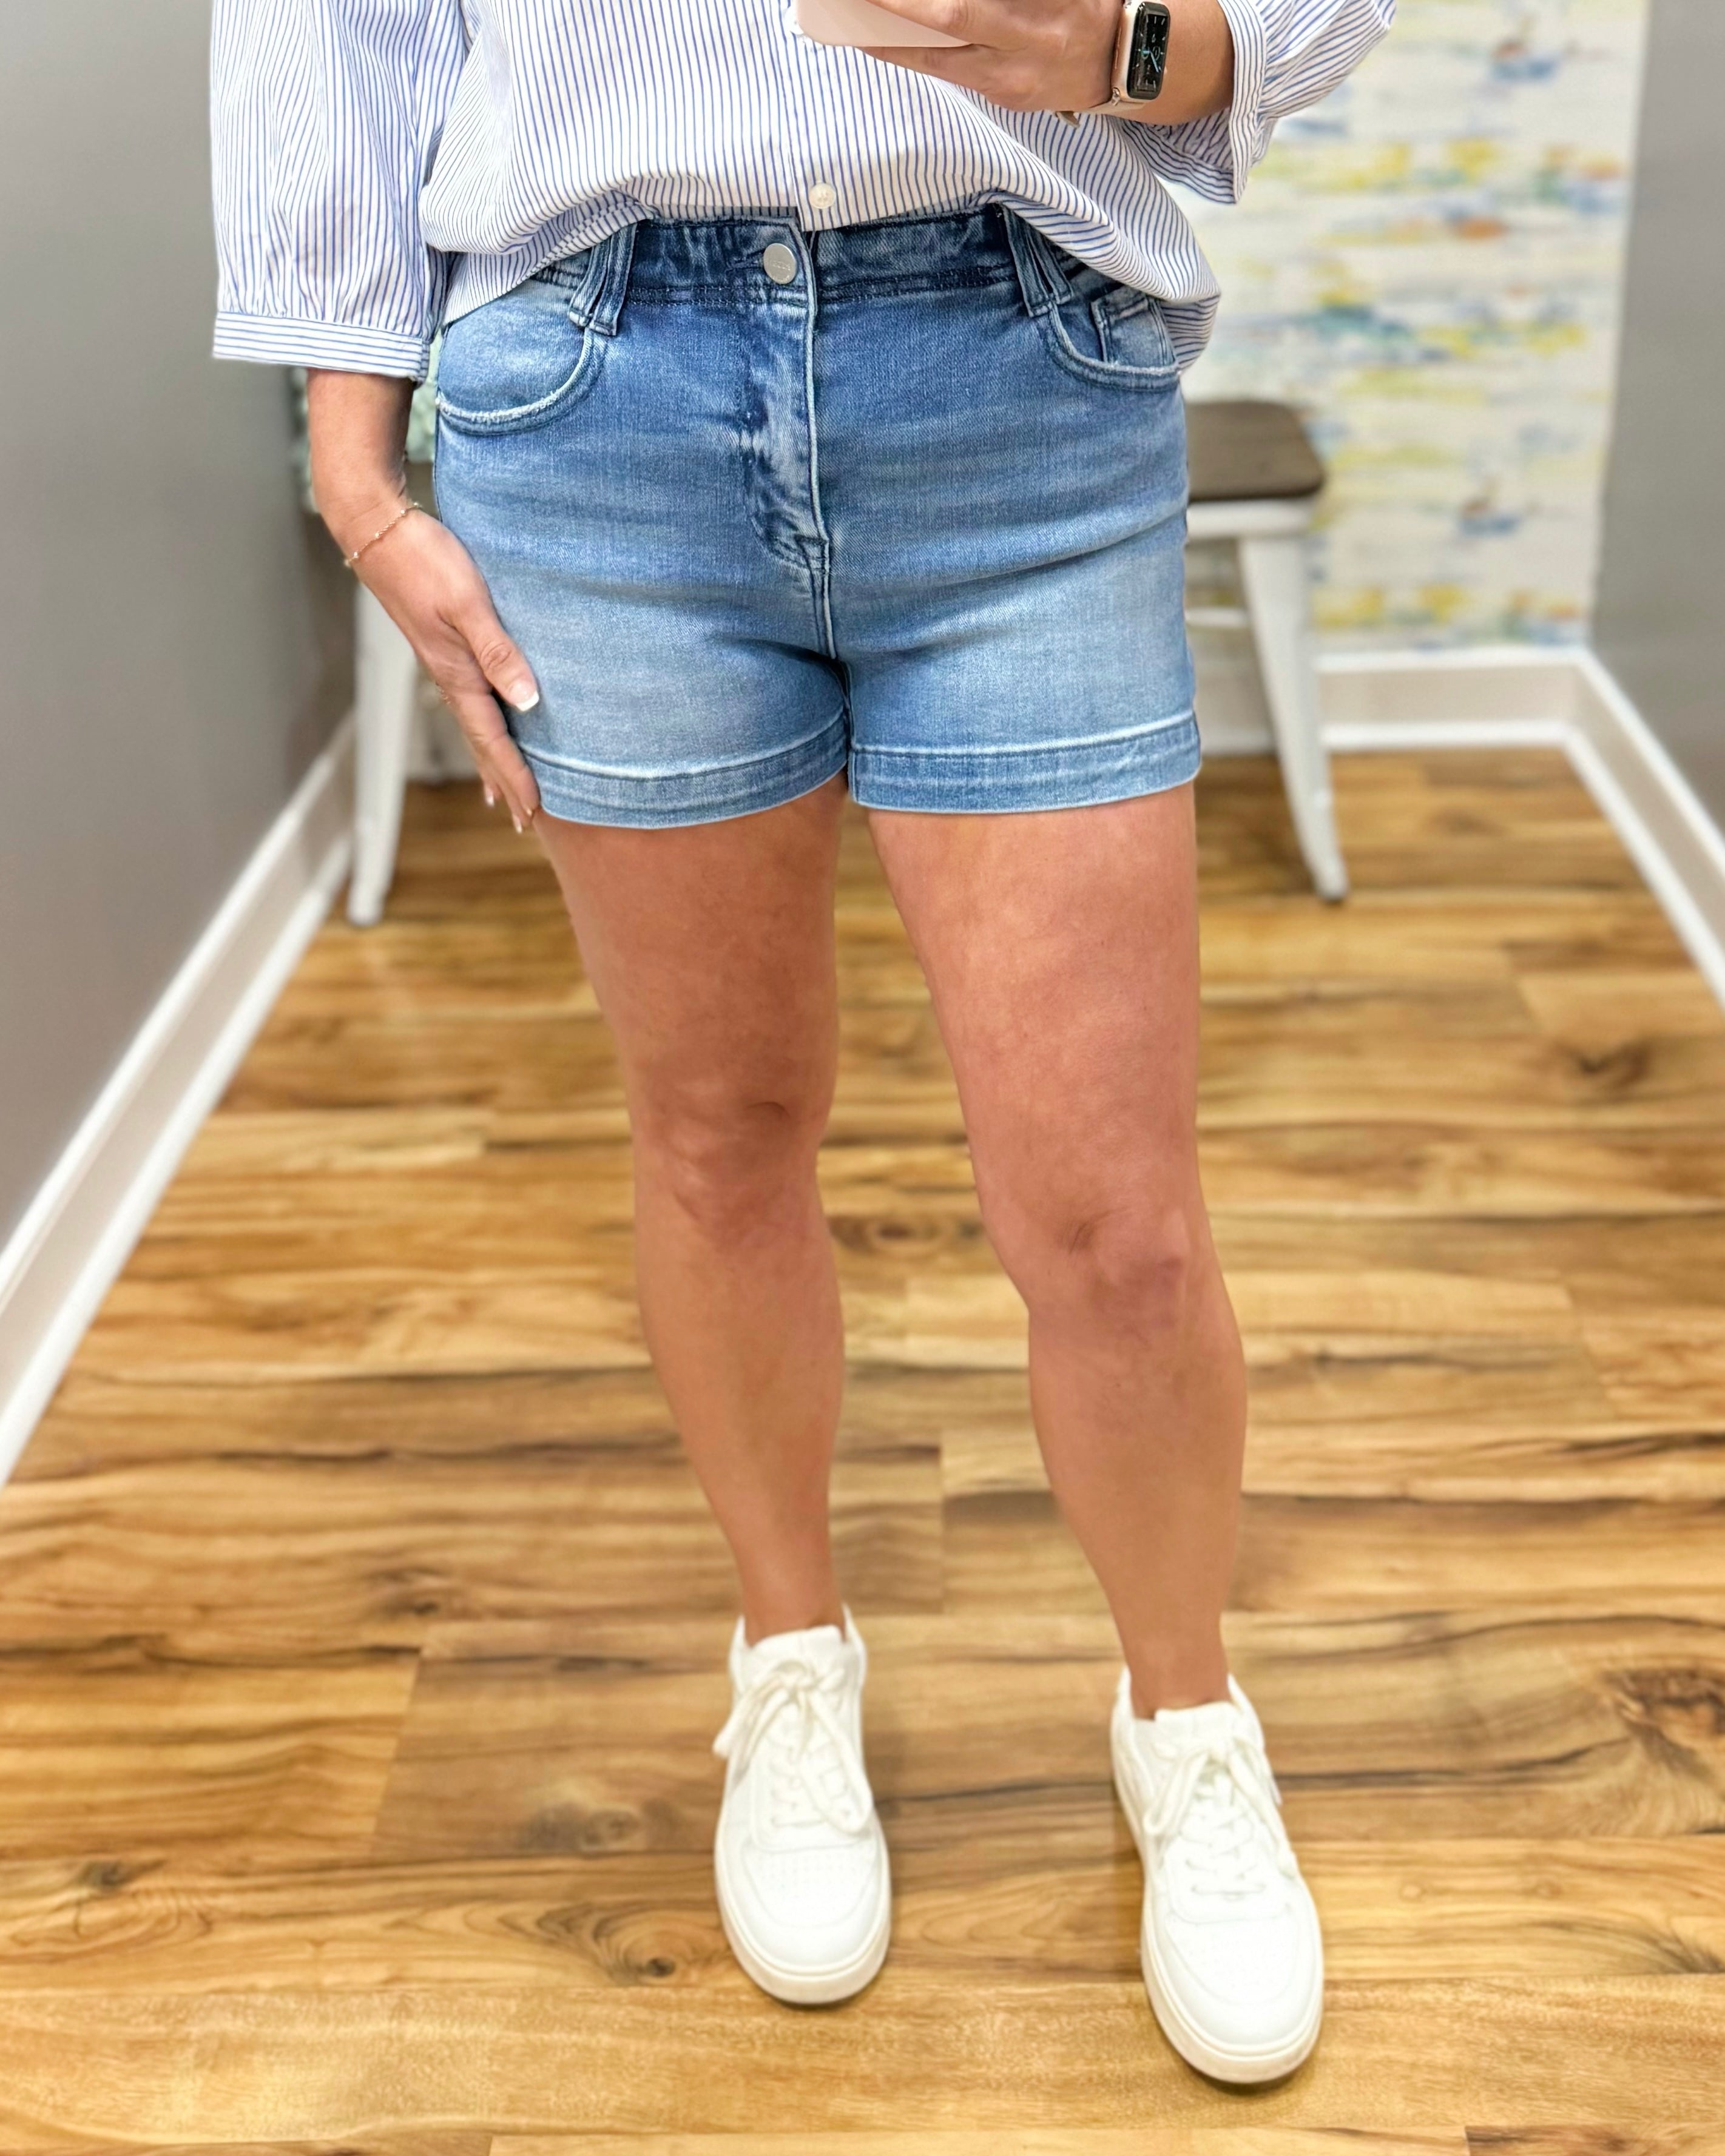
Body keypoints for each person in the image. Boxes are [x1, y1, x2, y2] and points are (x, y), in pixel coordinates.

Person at [212, 0, 1390, 2083]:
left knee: (1110, 1214)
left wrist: (1140, 41)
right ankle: (786, 1653)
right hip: (589, 398)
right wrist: (352, 466)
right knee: (717, 1129)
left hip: (1022, 372)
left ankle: (1185, 1715)